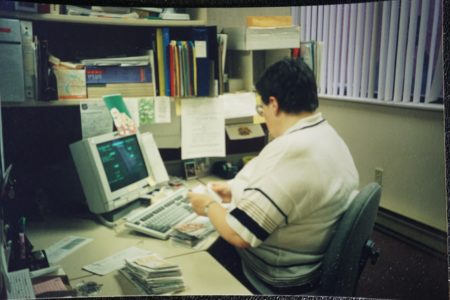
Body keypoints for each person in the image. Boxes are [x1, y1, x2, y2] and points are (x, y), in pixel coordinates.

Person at [188, 58, 359, 294]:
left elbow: (239, 235)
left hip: (283, 277)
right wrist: (233, 190)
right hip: (311, 257)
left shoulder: (294, 150)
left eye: (262, 109)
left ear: (274, 104)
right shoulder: (326, 135)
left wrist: (207, 206)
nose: (264, 117)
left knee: (199, 258)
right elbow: (292, 193)